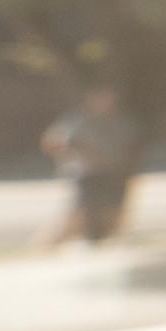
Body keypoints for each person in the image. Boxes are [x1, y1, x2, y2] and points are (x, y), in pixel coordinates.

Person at [40, 87, 141, 246]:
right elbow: (53, 142)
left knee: (111, 214)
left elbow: (130, 146)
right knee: (80, 215)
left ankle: (105, 247)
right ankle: (48, 247)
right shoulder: (78, 120)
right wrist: (84, 155)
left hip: (112, 172)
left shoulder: (120, 121)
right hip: (86, 174)